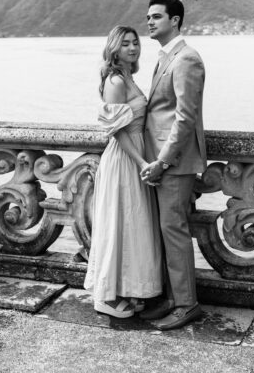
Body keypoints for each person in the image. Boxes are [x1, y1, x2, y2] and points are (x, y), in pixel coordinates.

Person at [84, 25, 163, 318]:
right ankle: (105, 296)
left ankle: (128, 288)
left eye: (135, 43)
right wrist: (141, 162)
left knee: (133, 226)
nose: (132, 48)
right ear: (114, 48)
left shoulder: (129, 76)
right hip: (124, 158)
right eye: (126, 44)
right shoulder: (116, 80)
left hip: (137, 153)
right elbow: (115, 131)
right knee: (118, 224)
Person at [139, 0, 207, 330]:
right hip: (159, 161)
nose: (149, 22)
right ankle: (169, 298)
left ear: (176, 20)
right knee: (165, 231)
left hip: (174, 163)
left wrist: (162, 162)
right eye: (148, 17)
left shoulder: (186, 59)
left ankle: (186, 305)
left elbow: (184, 119)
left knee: (174, 231)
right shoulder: (166, 57)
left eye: (156, 17)